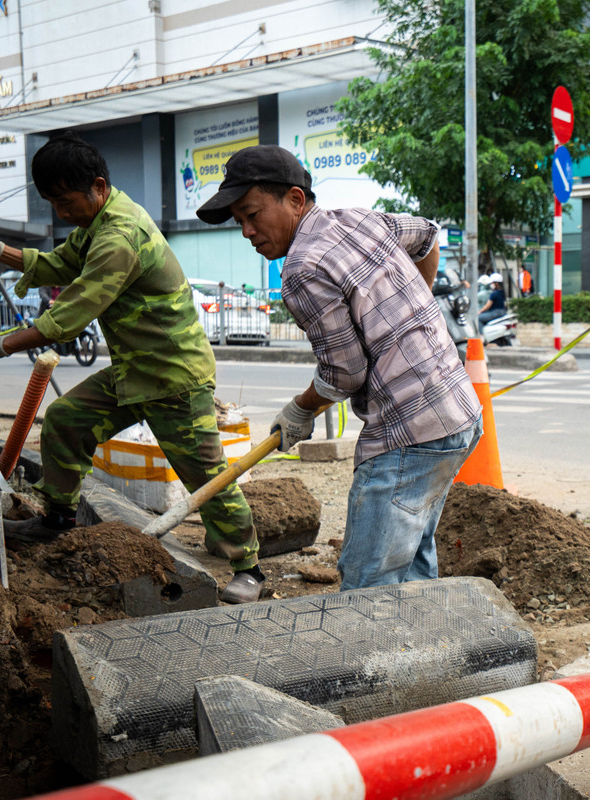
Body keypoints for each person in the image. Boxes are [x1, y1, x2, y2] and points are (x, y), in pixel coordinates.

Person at [0, 132, 264, 604]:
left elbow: (70, 313)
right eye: (52, 202)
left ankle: (249, 567)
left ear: (97, 187)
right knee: (66, 418)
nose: (61, 212)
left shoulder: (120, 235)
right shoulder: (98, 223)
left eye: (66, 200)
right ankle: (58, 519)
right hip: (134, 370)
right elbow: (60, 263)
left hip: (174, 376)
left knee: (204, 473)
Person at [195, 144, 482, 591]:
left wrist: (300, 409)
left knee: (368, 585)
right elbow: (427, 235)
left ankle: (376, 659)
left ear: (294, 199)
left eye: (252, 214)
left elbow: (345, 374)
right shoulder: (361, 220)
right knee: (412, 568)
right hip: (459, 414)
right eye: (239, 222)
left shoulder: (302, 268)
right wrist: (411, 306)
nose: (248, 231)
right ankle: (427, 649)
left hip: (409, 435)